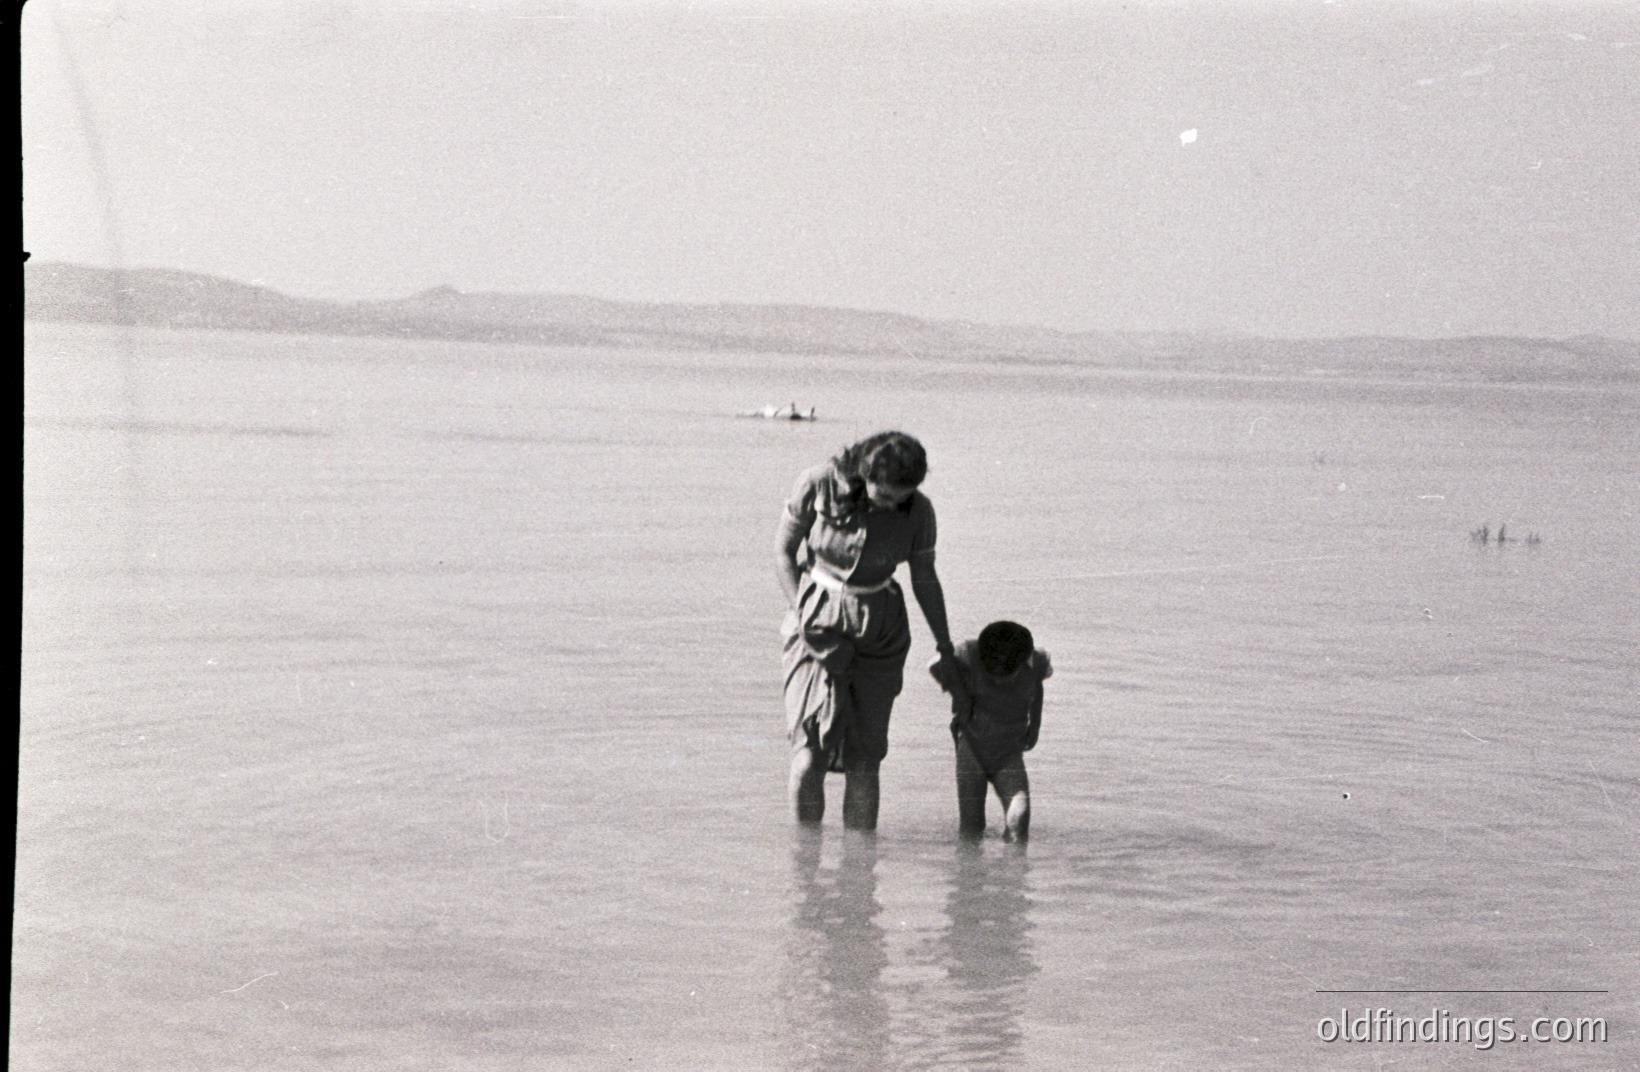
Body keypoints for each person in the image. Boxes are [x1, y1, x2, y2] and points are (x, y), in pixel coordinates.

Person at [777, 431, 968, 829]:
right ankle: (803, 869)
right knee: (810, 750)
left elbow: (925, 579)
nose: (895, 504)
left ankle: (859, 875)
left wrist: (945, 645)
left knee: (866, 757)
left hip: (882, 629)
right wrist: (803, 616)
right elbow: (782, 552)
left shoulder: (919, 511)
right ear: (864, 472)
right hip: (815, 620)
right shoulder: (818, 483)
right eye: (886, 497)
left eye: (903, 497)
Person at [929, 620, 1051, 841]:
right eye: (991, 672)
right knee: (972, 826)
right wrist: (959, 695)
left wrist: (1036, 724)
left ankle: (1014, 869)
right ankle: (971, 872)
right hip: (971, 749)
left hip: (1009, 754)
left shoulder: (1034, 663)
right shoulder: (970, 655)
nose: (997, 679)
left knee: (1019, 817)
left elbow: (1037, 686)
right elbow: (935, 666)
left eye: (1005, 674)